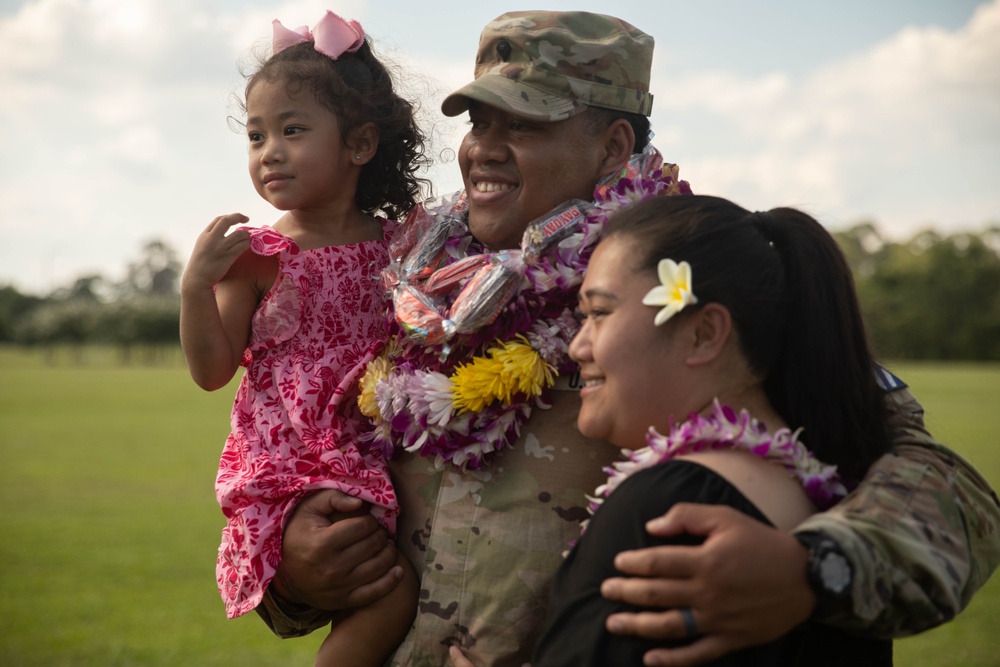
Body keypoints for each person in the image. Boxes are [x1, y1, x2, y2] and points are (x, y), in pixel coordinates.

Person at [253, 11, 1000, 667]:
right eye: (479, 122)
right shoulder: (413, 289)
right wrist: (294, 572)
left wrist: (815, 572)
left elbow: (951, 495)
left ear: (613, 146)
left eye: (525, 124)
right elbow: (306, 463)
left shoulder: (684, 290)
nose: (483, 148)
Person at [528, 193, 896, 666]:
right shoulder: (840, 499)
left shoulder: (668, 512)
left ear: (703, 334)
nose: (577, 346)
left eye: (599, 313)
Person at [179, 10, 422, 667]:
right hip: (290, 461)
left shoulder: (399, 247)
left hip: (373, 447)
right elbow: (211, 368)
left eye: (292, 129)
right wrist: (194, 289)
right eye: (256, 135)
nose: (270, 152)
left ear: (360, 145)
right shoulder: (259, 256)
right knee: (388, 592)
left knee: (391, 587)